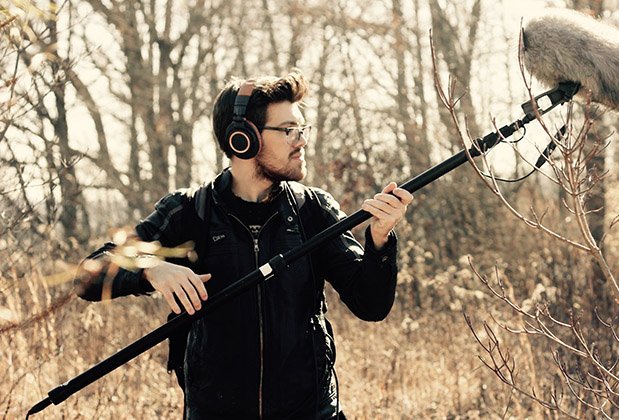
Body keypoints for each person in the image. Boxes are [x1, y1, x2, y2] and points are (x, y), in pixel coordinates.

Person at [75, 70, 413, 419]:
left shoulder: (312, 210)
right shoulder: (189, 212)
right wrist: (151, 269)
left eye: (301, 129)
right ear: (242, 139)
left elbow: (372, 305)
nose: (301, 140)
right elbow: (87, 276)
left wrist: (379, 239)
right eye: (288, 131)